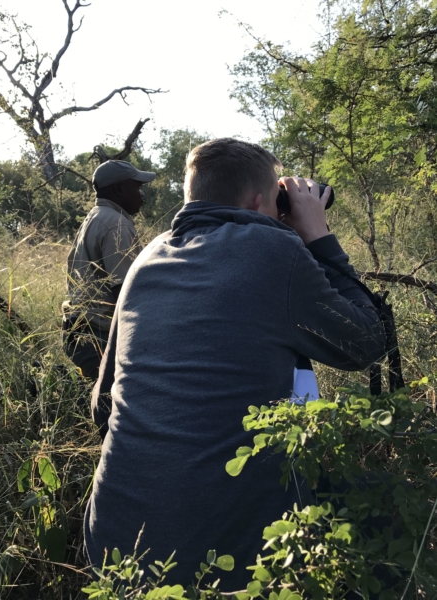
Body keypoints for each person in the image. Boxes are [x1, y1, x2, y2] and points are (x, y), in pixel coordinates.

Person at [84, 138, 386, 589]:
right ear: (261, 201)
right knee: (373, 515)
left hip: (113, 547)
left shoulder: (147, 259)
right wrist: (318, 237)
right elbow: (368, 343)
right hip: (223, 561)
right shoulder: (274, 250)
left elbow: (102, 408)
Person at [61, 160, 156, 379]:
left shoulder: (96, 216)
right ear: (120, 189)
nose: (141, 194)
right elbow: (126, 291)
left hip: (81, 332)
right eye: (137, 187)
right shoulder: (117, 224)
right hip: (99, 337)